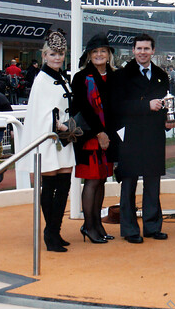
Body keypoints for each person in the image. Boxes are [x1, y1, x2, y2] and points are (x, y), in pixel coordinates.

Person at [16, 30, 76, 252]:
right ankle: (50, 234)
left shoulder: (61, 77)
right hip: (50, 139)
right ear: (44, 55)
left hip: (64, 138)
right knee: (50, 186)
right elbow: (40, 113)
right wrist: (56, 128)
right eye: (53, 54)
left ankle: (54, 231)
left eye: (60, 53)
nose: (57, 57)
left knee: (63, 186)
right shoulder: (42, 80)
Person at [114, 33, 175, 243]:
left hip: (154, 135)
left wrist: (168, 120)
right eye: (139, 49)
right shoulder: (122, 75)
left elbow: (166, 104)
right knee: (129, 184)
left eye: (146, 49)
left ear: (153, 51)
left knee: (153, 184)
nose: (143, 52)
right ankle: (130, 229)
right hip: (131, 136)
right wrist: (146, 105)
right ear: (133, 50)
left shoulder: (161, 74)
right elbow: (118, 106)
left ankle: (152, 227)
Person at [71, 33, 120, 244]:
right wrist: (99, 133)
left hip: (108, 138)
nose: (99, 55)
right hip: (90, 137)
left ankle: (98, 224)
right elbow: (82, 109)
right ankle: (88, 225)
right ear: (89, 56)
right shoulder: (81, 77)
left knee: (101, 180)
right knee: (91, 181)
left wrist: (108, 135)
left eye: (103, 51)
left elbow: (115, 109)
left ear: (109, 54)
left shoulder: (114, 76)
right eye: (95, 52)